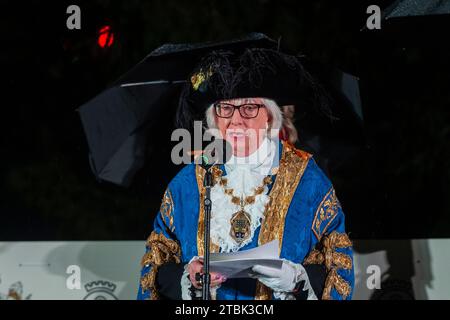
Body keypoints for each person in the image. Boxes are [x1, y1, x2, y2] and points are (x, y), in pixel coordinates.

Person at [137, 47, 354, 300]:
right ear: (213, 119)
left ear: (269, 116)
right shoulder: (186, 184)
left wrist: (296, 280)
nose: (236, 121)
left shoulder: (309, 181)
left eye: (249, 108)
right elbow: (155, 266)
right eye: (225, 108)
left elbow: (339, 264)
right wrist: (188, 277)